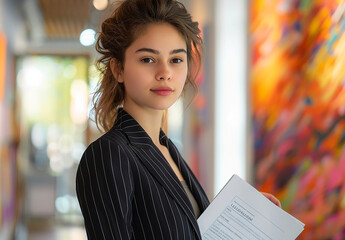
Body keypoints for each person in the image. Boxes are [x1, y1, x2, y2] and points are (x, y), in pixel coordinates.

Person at [76, 0, 281, 239]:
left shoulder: (167, 148)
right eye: (148, 59)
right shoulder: (109, 154)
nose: (165, 72)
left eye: (176, 59)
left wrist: (241, 220)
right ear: (118, 69)